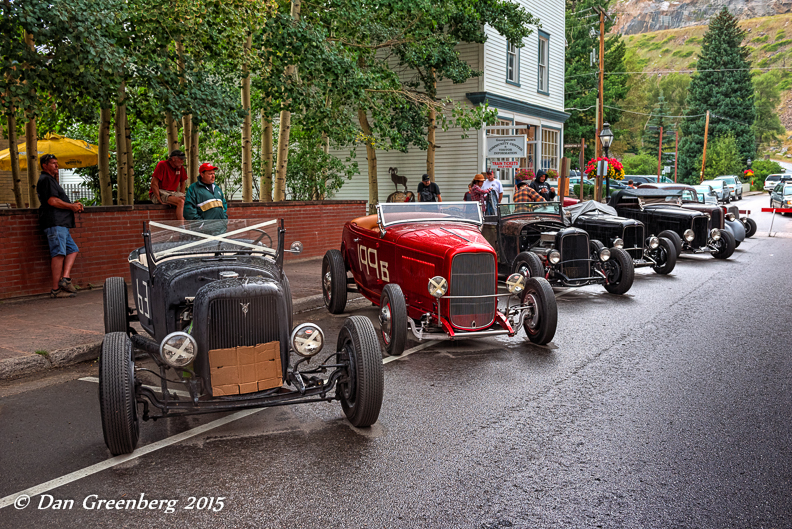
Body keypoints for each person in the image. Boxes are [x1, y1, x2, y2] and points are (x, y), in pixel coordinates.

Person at [36, 154, 83, 298]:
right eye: (53, 163)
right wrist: (72, 207)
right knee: (58, 254)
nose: (57, 166)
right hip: (55, 223)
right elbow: (52, 201)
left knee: (72, 250)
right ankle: (56, 290)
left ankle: (66, 279)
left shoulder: (51, 180)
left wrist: (73, 205)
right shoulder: (46, 180)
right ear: (45, 165)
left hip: (62, 224)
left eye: (57, 163)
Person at [150, 150, 188, 220]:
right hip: (159, 192)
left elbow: (183, 182)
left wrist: (181, 195)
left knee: (188, 201)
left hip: (173, 192)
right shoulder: (162, 164)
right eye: (180, 159)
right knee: (180, 202)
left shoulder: (180, 168)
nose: (182, 162)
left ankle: (189, 225)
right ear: (173, 158)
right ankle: (182, 227)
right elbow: (154, 183)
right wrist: (159, 199)